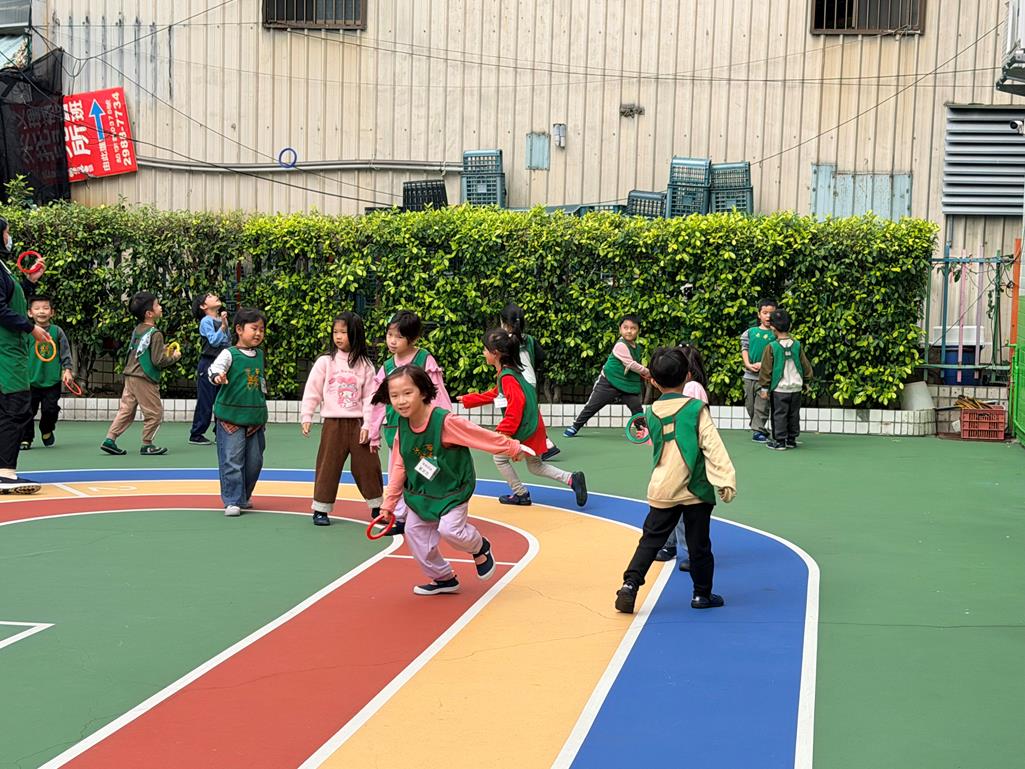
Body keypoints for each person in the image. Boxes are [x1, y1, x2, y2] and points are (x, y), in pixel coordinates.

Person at [373, 364, 531, 596]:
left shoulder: (444, 421)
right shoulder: (402, 425)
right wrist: (389, 504)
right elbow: (399, 464)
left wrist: (512, 447)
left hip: (452, 490)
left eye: (407, 393)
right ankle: (443, 578)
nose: (401, 401)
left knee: (450, 530)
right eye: (394, 396)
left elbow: (478, 436)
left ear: (423, 392)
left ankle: (480, 547)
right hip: (422, 493)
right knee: (415, 533)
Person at [614, 347, 736, 614]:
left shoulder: (651, 412)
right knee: (699, 545)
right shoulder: (696, 409)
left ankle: (629, 585)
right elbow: (713, 445)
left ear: (654, 382)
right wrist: (726, 478)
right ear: (688, 376)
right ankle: (701, 595)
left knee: (649, 541)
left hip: (662, 487)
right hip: (695, 489)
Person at [458, 328, 587, 507]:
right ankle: (571, 479)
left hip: (525, 427)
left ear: (495, 353)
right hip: (533, 425)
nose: (483, 353)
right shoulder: (511, 372)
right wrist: (469, 400)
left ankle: (521, 494)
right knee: (535, 466)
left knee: (499, 458)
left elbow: (516, 406)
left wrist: (505, 433)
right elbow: (498, 394)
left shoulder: (507, 377)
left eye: (485, 349)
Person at [367, 310, 452, 535]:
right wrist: (373, 432)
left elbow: (438, 393)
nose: (392, 341)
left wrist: (445, 424)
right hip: (396, 430)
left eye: (399, 336)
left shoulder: (424, 359)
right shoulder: (387, 366)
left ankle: (434, 511)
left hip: (423, 430)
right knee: (397, 473)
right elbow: (377, 401)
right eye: (389, 335)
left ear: (413, 338)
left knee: (426, 470)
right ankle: (400, 517)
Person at [300, 311, 384, 526]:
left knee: (368, 465)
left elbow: (370, 398)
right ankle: (321, 509)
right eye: (335, 332)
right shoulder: (325, 362)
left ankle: (377, 507)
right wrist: (307, 415)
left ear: (355, 334)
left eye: (344, 332)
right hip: (333, 424)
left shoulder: (365, 365)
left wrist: (368, 425)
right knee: (328, 465)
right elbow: (312, 390)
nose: (338, 336)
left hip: (358, 424)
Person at [101, 292, 181, 456]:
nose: (161, 307)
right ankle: (147, 444)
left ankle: (110, 439)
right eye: (157, 305)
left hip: (130, 375)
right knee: (154, 413)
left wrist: (163, 349)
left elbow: (143, 351)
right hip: (144, 378)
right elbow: (157, 361)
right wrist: (174, 357)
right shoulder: (156, 333)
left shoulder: (138, 330)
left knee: (126, 410)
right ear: (149, 313)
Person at [0, 216, 47, 493]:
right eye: (7, 233)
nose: (9, 238)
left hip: (9, 351)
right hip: (5, 353)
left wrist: (29, 282)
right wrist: (31, 328)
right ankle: (5, 474)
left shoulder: (2, 268)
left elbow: (10, 300)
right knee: (14, 410)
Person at [654, 343, 709, 568]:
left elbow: (692, 421)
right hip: (674, 454)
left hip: (686, 457)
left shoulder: (692, 388)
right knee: (669, 503)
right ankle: (670, 545)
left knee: (683, 505)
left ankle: (690, 553)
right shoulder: (680, 390)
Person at [209, 308, 268, 516]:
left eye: (262, 329)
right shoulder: (229, 353)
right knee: (232, 460)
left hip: (255, 418)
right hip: (230, 418)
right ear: (239, 329)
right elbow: (214, 369)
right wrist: (218, 376)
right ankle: (232, 500)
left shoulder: (260, 355)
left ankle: (243, 496)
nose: (258, 333)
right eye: (254, 328)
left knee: (255, 462)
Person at [565, 314, 648, 437]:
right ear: (620, 329)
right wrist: (648, 372)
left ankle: (642, 431)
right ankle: (575, 426)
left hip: (626, 384)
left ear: (638, 331)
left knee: (637, 408)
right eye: (625, 327)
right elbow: (631, 364)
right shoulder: (620, 345)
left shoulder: (638, 348)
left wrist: (645, 374)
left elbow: (634, 367)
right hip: (608, 382)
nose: (629, 331)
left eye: (633, 328)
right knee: (593, 406)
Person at [500, 302, 560, 461]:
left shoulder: (504, 341)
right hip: (530, 380)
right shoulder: (529, 339)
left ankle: (545, 445)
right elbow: (541, 356)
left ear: (504, 323)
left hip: (517, 380)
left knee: (520, 414)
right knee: (531, 413)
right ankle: (544, 444)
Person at [20, 295, 74, 450]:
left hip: (52, 381)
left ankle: (47, 429)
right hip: (30, 381)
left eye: (45, 308)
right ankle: (26, 438)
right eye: (37, 308)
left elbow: (65, 352)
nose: (41, 311)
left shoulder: (57, 331)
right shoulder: (27, 332)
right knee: (27, 412)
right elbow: (20, 353)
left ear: (52, 312)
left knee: (50, 410)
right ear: (30, 313)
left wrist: (67, 370)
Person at [758, 308, 813, 451]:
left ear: (772, 327)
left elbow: (766, 369)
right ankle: (791, 439)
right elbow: (805, 365)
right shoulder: (797, 345)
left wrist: (764, 388)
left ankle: (780, 441)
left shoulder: (772, 347)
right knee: (793, 414)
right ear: (790, 326)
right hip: (796, 388)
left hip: (779, 389)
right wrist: (807, 382)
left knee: (779, 415)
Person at [188, 292, 230, 446]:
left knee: (223, 398)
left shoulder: (221, 319)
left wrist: (224, 324)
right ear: (203, 306)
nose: (215, 296)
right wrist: (223, 326)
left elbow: (227, 342)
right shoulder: (206, 321)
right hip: (208, 363)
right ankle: (197, 433)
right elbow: (214, 341)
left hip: (222, 363)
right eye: (210, 296)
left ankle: (220, 432)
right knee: (206, 400)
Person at [741, 298, 777, 442]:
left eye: (771, 313)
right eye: (765, 313)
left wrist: (763, 364)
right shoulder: (749, 332)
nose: (768, 316)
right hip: (749, 376)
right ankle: (759, 428)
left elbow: (776, 354)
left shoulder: (776, 334)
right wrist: (748, 364)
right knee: (750, 406)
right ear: (759, 314)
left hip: (766, 378)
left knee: (762, 406)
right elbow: (744, 349)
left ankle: (758, 431)